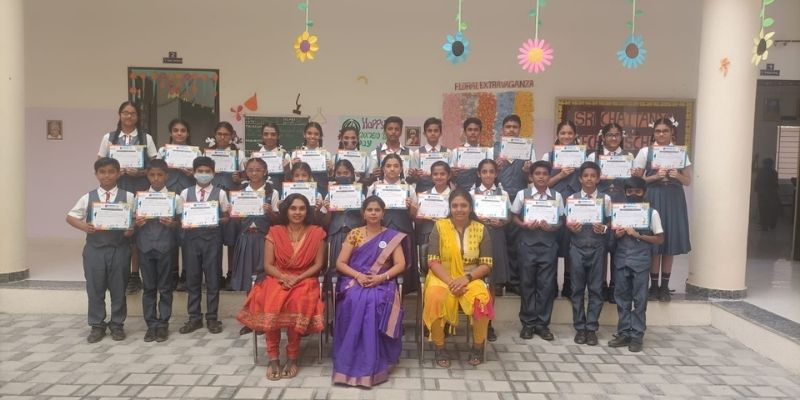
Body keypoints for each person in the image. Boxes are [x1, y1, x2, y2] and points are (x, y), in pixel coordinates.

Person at [237, 194, 326, 380]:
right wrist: (284, 277)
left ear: (307, 211)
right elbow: (268, 265)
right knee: (271, 300)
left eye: (302, 208)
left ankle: (292, 357)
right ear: (286, 210)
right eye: (293, 208)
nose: (297, 212)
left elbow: (318, 265)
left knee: (297, 301)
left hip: (305, 278)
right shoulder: (275, 232)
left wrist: (298, 278)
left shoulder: (317, 233)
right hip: (277, 276)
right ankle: (273, 357)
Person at [332, 196, 408, 387]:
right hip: (354, 279)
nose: (373, 213)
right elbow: (340, 263)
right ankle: (350, 358)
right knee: (353, 298)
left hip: (382, 281)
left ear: (383, 213)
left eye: (377, 210)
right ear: (363, 213)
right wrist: (358, 276)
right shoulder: (354, 234)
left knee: (375, 300)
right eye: (370, 210)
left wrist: (381, 278)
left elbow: (400, 264)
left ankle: (378, 358)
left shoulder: (392, 236)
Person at [66, 157, 135, 343]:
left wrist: (131, 229)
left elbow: (135, 219)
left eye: (111, 172)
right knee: (95, 289)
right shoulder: (87, 197)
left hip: (119, 249)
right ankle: (97, 325)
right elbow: (70, 217)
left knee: (119, 289)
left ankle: (117, 324)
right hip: (95, 250)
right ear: (96, 174)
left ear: (118, 173)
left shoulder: (128, 196)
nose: (107, 176)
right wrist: (84, 226)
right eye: (102, 172)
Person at [422, 188, 494, 367]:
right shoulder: (440, 227)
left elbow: (486, 264)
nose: (459, 209)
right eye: (455, 206)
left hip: (470, 277)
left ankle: (478, 346)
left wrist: (467, 278)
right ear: (450, 207)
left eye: (463, 205)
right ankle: (439, 347)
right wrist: (451, 282)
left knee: (482, 299)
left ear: (470, 207)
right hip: (442, 277)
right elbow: (433, 260)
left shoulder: (481, 229)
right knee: (435, 297)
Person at [97, 101, 158, 295]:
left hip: (139, 188)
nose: (129, 116)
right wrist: (114, 172)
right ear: (119, 115)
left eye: (132, 113)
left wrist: (141, 172)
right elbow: (100, 163)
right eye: (125, 112)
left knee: (136, 230)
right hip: (117, 188)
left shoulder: (146, 138)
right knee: (117, 228)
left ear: (137, 117)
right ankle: (117, 271)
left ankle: (134, 274)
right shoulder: (109, 138)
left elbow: (156, 165)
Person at [632, 118, 692, 302]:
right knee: (654, 242)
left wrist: (677, 175)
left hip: (673, 198)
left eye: (665, 131)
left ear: (671, 132)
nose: (661, 134)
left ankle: (665, 286)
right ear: (654, 133)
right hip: (653, 196)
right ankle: (653, 286)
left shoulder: (680, 152)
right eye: (658, 131)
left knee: (669, 241)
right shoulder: (645, 152)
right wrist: (655, 177)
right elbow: (636, 181)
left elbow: (688, 181)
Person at [608, 177, 664, 352]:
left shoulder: (652, 213)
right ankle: (624, 333)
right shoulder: (618, 211)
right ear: (625, 193)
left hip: (640, 263)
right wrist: (617, 235)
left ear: (644, 193)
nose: (633, 194)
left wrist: (638, 235)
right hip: (621, 261)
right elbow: (611, 237)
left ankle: (637, 336)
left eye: (637, 191)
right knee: (621, 299)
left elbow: (660, 239)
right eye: (630, 191)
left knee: (640, 301)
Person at [177, 156, 230, 335]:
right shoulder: (185, 193)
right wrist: (187, 221)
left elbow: (227, 217)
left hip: (212, 240)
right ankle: (194, 318)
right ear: (194, 173)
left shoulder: (220, 193)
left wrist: (217, 220)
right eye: (200, 171)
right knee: (192, 279)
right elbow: (180, 216)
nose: (204, 174)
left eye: (207, 171)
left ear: (213, 173)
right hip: (191, 241)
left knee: (213, 280)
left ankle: (212, 318)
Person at [511, 161, 563, 341]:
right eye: (537, 173)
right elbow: (513, 216)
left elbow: (561, 220)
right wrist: (524, 224)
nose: (541, 177)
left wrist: (552, 227)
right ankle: (527, 324)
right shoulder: (522, 194)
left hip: (548, 246)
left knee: (546, 286)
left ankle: (542, 325)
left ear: (549, 176)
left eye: (545, 174)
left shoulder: (556, 196)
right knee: (527, 284)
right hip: (527, 245)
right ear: (531, 176)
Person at [133, 159, 181, 342]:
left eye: (160, 175)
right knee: (149, 288)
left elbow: (182, 223)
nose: (156, 178)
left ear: (166, 176)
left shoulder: (175, 198)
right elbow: (130, 222)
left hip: (166, 247)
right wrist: (136, 223)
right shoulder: (139, 198)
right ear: (147, 176)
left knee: (166, 287)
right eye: (152, 175)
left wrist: (172, 224)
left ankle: (163, 324)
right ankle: (151, 324)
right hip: (145, 247)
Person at [565, 161, 612, 346]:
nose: (589, 179)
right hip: (577, 247)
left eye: (593, 176)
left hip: (597, 247)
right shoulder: (572, 199)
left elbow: (611, 221)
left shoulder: (605, 199)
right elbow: (567, 221)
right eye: (586, 176)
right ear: (580, 179)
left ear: (598, 178)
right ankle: (580, 328)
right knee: (577, 289)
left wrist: (604, 228)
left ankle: (591, 328)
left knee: (596, 289)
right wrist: (571, 228)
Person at [587, 123, 635, 303]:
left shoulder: (628, 156)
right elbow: (588, 179)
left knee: (618, 246)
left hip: (621, 203)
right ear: (603, 137)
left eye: (616, 135)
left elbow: (632, 183)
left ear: (621, 137)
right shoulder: (593, 156)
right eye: (609, 135)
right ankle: (601, 285)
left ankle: (616, 285)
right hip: (600, 204)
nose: (613, 138)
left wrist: (633, 173)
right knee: (601, 246)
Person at [469, 159, 511, 342]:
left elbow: (509, 216)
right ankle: (474, 321)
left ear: (496, 174)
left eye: (491, 171)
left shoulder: (503, 194)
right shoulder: (471, 194)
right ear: (478, 174)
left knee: (491, 284)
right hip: (475, 239)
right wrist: (476, 220)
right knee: (475, 280)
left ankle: (488, 323)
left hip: (496, 238)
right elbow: (465, 215)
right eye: (484, 171)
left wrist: (502, 222)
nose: (488, 175)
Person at [494, 115, 535, 296]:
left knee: (517, 241)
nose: (511, 130)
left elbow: (533, 179)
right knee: (498, 241)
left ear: (519, 130)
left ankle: (514, 281)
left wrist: (527, 172)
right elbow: (485, 175)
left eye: (515, 127)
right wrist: (496, 168)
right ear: (502, 130)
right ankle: (497, 281)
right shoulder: (494, 150)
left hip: (518, 199)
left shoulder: (528, 149)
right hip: (497, 200)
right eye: (508, 126)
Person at [367, 154, 418, 293]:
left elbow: (414, 216)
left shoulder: (409, 188)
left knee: (403, 260)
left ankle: (404, 290)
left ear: (401, 169)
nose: (392, 169)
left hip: (403, 229)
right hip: (380, 229)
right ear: (383, 168)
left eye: (396, 166)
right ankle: (379, 287)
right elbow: (367, 211)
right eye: (388, 166)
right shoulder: (374, 187)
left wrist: (412, 208)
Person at [542, 120, 582, 298]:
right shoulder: (548, 156)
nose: (566, 136)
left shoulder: (582, 155)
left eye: (570, 133)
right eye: (563, 133)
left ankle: (567, 283)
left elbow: (587, 180)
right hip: (552, 204)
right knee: (551, 244)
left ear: (575, 135)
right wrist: (561, 175)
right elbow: (543, 184)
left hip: (574, 204)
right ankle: (550, 283)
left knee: (570, 245)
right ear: (557, 135)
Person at [229, 158, 279, 297]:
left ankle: (263, 306)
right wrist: (232, 213)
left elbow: (277, 220)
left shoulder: (272, 192)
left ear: (265, 172)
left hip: (264, 239)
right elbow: (237, 221)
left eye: (258, 170)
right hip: (245, 238)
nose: (254, 173)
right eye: (250, 170)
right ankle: (249, 306)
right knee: (247, 277)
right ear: (246, 172)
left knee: (264, 277)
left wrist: (270, 212)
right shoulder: (240, 191)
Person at [157, 119, 195, 292]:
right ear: (170, 133)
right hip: (168, 195)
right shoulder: (163, 151)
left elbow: (201, 173)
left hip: (188, 196)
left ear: (188, 133)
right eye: (176, 130)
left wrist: (192, 173)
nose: (179, 133)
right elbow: (156, 172)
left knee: (187, 234)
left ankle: (186, 273)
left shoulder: (195, 152)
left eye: (183, 130)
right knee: (170, 234)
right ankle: (172, 272)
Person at [206, 121, 245, 291]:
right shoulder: (207, 154)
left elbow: (246, 178)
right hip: (211, 201)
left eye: (226, 134)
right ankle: (215, 275)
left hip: (231, 200)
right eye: (219, 134)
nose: (222, 137)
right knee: (214, 240)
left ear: (232, 136)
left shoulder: (239, 154)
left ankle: (231, 274)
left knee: (231, 240)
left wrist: (239, 179)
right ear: (215, 135)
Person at [291, 122, 334, 197]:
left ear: (320, 136)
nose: (312, 136)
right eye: (309, 133)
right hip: (301, 191)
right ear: (304, 135)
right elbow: (290, 177)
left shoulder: (326, 154)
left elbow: (330, 178)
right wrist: (293, 167)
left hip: (321, 191)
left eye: (316, 134)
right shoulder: (296, 154)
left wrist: (330, 171)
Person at [366, 116, 411, 186]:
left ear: (401, 132)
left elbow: (412, 179)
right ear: (384, 131)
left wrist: (414, 176)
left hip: (403, 191)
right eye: (390, 129)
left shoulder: (410, 153)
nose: (393, 132)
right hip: (382, 191)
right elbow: (370, 180)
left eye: (397, 129)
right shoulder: (375, 153)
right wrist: (374, 175)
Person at [452, 118, 493, 191]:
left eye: (476, 130)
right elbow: (452, 176)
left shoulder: (488, 151)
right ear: (465, 132)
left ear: (480, 132)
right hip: (462, 191)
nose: (473, 132)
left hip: (483, 191)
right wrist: (453, 173)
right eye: (470, 130)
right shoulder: (456, 152)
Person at [411, 118, 450, 194]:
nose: (433, 133)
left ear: (440, 133)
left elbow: (450, 174)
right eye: (429, 131)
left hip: (443, 192)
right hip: (422, 191)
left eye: (436, 131)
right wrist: (415, 175)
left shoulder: (448, 152)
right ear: (424, 134)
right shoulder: (417, 153)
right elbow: (413, 177)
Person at [253, 122, 290, 196]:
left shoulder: (285, 155)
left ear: (278, 136)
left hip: (279, 194)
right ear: (262, 136)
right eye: (266, 134)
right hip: (259, 195)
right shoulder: (255, 156)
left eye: (273, 134)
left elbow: (289, 180)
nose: (269, 137)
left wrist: (287, 170)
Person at [755, 158, 780, 231]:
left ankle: (765, 226)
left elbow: (757, 182)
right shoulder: (774, 172)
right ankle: (769, 225)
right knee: (769, 210)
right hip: (769, 194)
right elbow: (775, 184)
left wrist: (758, 189)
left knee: (764, 211)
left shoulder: (761, 171)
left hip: (764, 194)